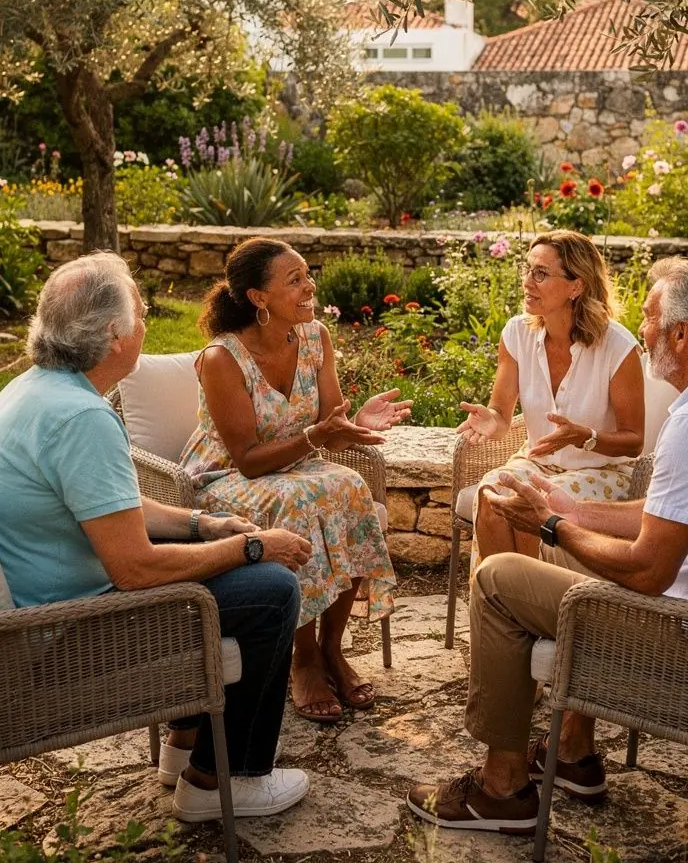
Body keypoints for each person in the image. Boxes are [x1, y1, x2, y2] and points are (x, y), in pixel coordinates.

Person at [407, 256, 688, 833]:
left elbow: (648, 572)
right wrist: (573, 509)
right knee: (544, 545)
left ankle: (500, 789)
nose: (641, 329)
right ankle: (571, 752)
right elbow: (668, 516)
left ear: (682, 334)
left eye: (650, 318)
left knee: (499, 579)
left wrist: (552, 524)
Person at [0, 252, 311, 824]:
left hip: (47, 607)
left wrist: (205, 525)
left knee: (233, 571)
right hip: (68, 630)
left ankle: (182, 749)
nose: (146, 323)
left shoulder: (35, 391)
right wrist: (252, 546)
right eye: (142, 315)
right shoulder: (81, 419)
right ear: (115, 336)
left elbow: (111, 506)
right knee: (270, 592)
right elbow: (135, 570)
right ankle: (224, 780)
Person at [180, 237, 410, 723]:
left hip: (295, 468)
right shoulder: (222, 359)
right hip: (225, 477)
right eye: (295, 281)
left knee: (349, 487)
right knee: (303, 502)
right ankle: (300, 659)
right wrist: (316, 437)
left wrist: (357, 423)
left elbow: (330, 422)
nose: (309, 287)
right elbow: (246, 459)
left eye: (307, 275)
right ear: (258, 298)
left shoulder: (314, 337)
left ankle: (331, 648)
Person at [459, 230, 644, 565]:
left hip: (604, 472)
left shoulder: (618, 347)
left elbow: (634, 442)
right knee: (490, 497)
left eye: (541, 273)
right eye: (527, 270)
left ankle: (528, 604)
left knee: (531, 504)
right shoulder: (516, 333)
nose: (528, 282)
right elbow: (501, 414)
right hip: (537, 463)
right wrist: (492, 420)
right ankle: (500, 605)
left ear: (577, 286)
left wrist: (585, 437)